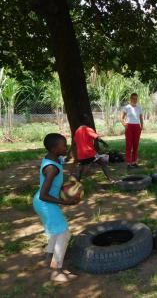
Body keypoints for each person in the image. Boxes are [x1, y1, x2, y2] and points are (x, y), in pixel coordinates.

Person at [33, 133, 80, 282]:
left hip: (43, 202)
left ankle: (48, 258)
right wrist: (66, 202)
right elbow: (43, 194)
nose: (66, 148)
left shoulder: (53, 158)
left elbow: (66, 160)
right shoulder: (52, 168)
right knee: (64, 233)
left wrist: (74, 148)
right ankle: (56, 271)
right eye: (63, 146)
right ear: (54, 148)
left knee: (56, 231)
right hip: (45, 202)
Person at [73, 114, 114, 182]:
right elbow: (97, 137)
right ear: (85, 120)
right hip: (89, 153)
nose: (89, 120)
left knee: (81, 167)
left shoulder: (77, 131)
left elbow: (74, 143)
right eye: (88, 119)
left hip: (80, 155)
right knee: (103, 163)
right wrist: (104, 143)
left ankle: (77, 183)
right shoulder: (88, 129)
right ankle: (111, 179)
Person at [121, 93, 144, 169]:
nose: (135, 100)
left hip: (137, 127)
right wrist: (124, 124)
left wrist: (141, 126)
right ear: (130, 99)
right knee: (129, 145)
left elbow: (141, 118)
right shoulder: (127, 107)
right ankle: (128, 163)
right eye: (133, 98)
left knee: (135, 145)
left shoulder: (139, 107)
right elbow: (121, 118)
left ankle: (134, 162)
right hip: (129, 127)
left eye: (136, 99)